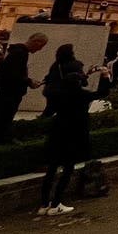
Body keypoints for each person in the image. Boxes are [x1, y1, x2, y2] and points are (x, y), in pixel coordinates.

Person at [38, 60, 111, 216]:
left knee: (51, 169)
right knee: (67, 169)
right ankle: (56, 203)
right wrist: (105, 75)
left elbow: (48, 113)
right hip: (74, 133)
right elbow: (102, 93)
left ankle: (44, 204)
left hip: (57, 132)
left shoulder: (58, 95)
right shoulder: (81, 95)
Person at [0, 32, 49, 144]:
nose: (40, 49)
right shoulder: (20, 53)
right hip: (9, 94)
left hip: (6, 92)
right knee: (4, 121)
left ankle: (0, 141)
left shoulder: (16, 51)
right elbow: (13, 74)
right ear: (36, 41)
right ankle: (0, 142)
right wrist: (29, 81)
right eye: (41, 46)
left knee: (2, 121)